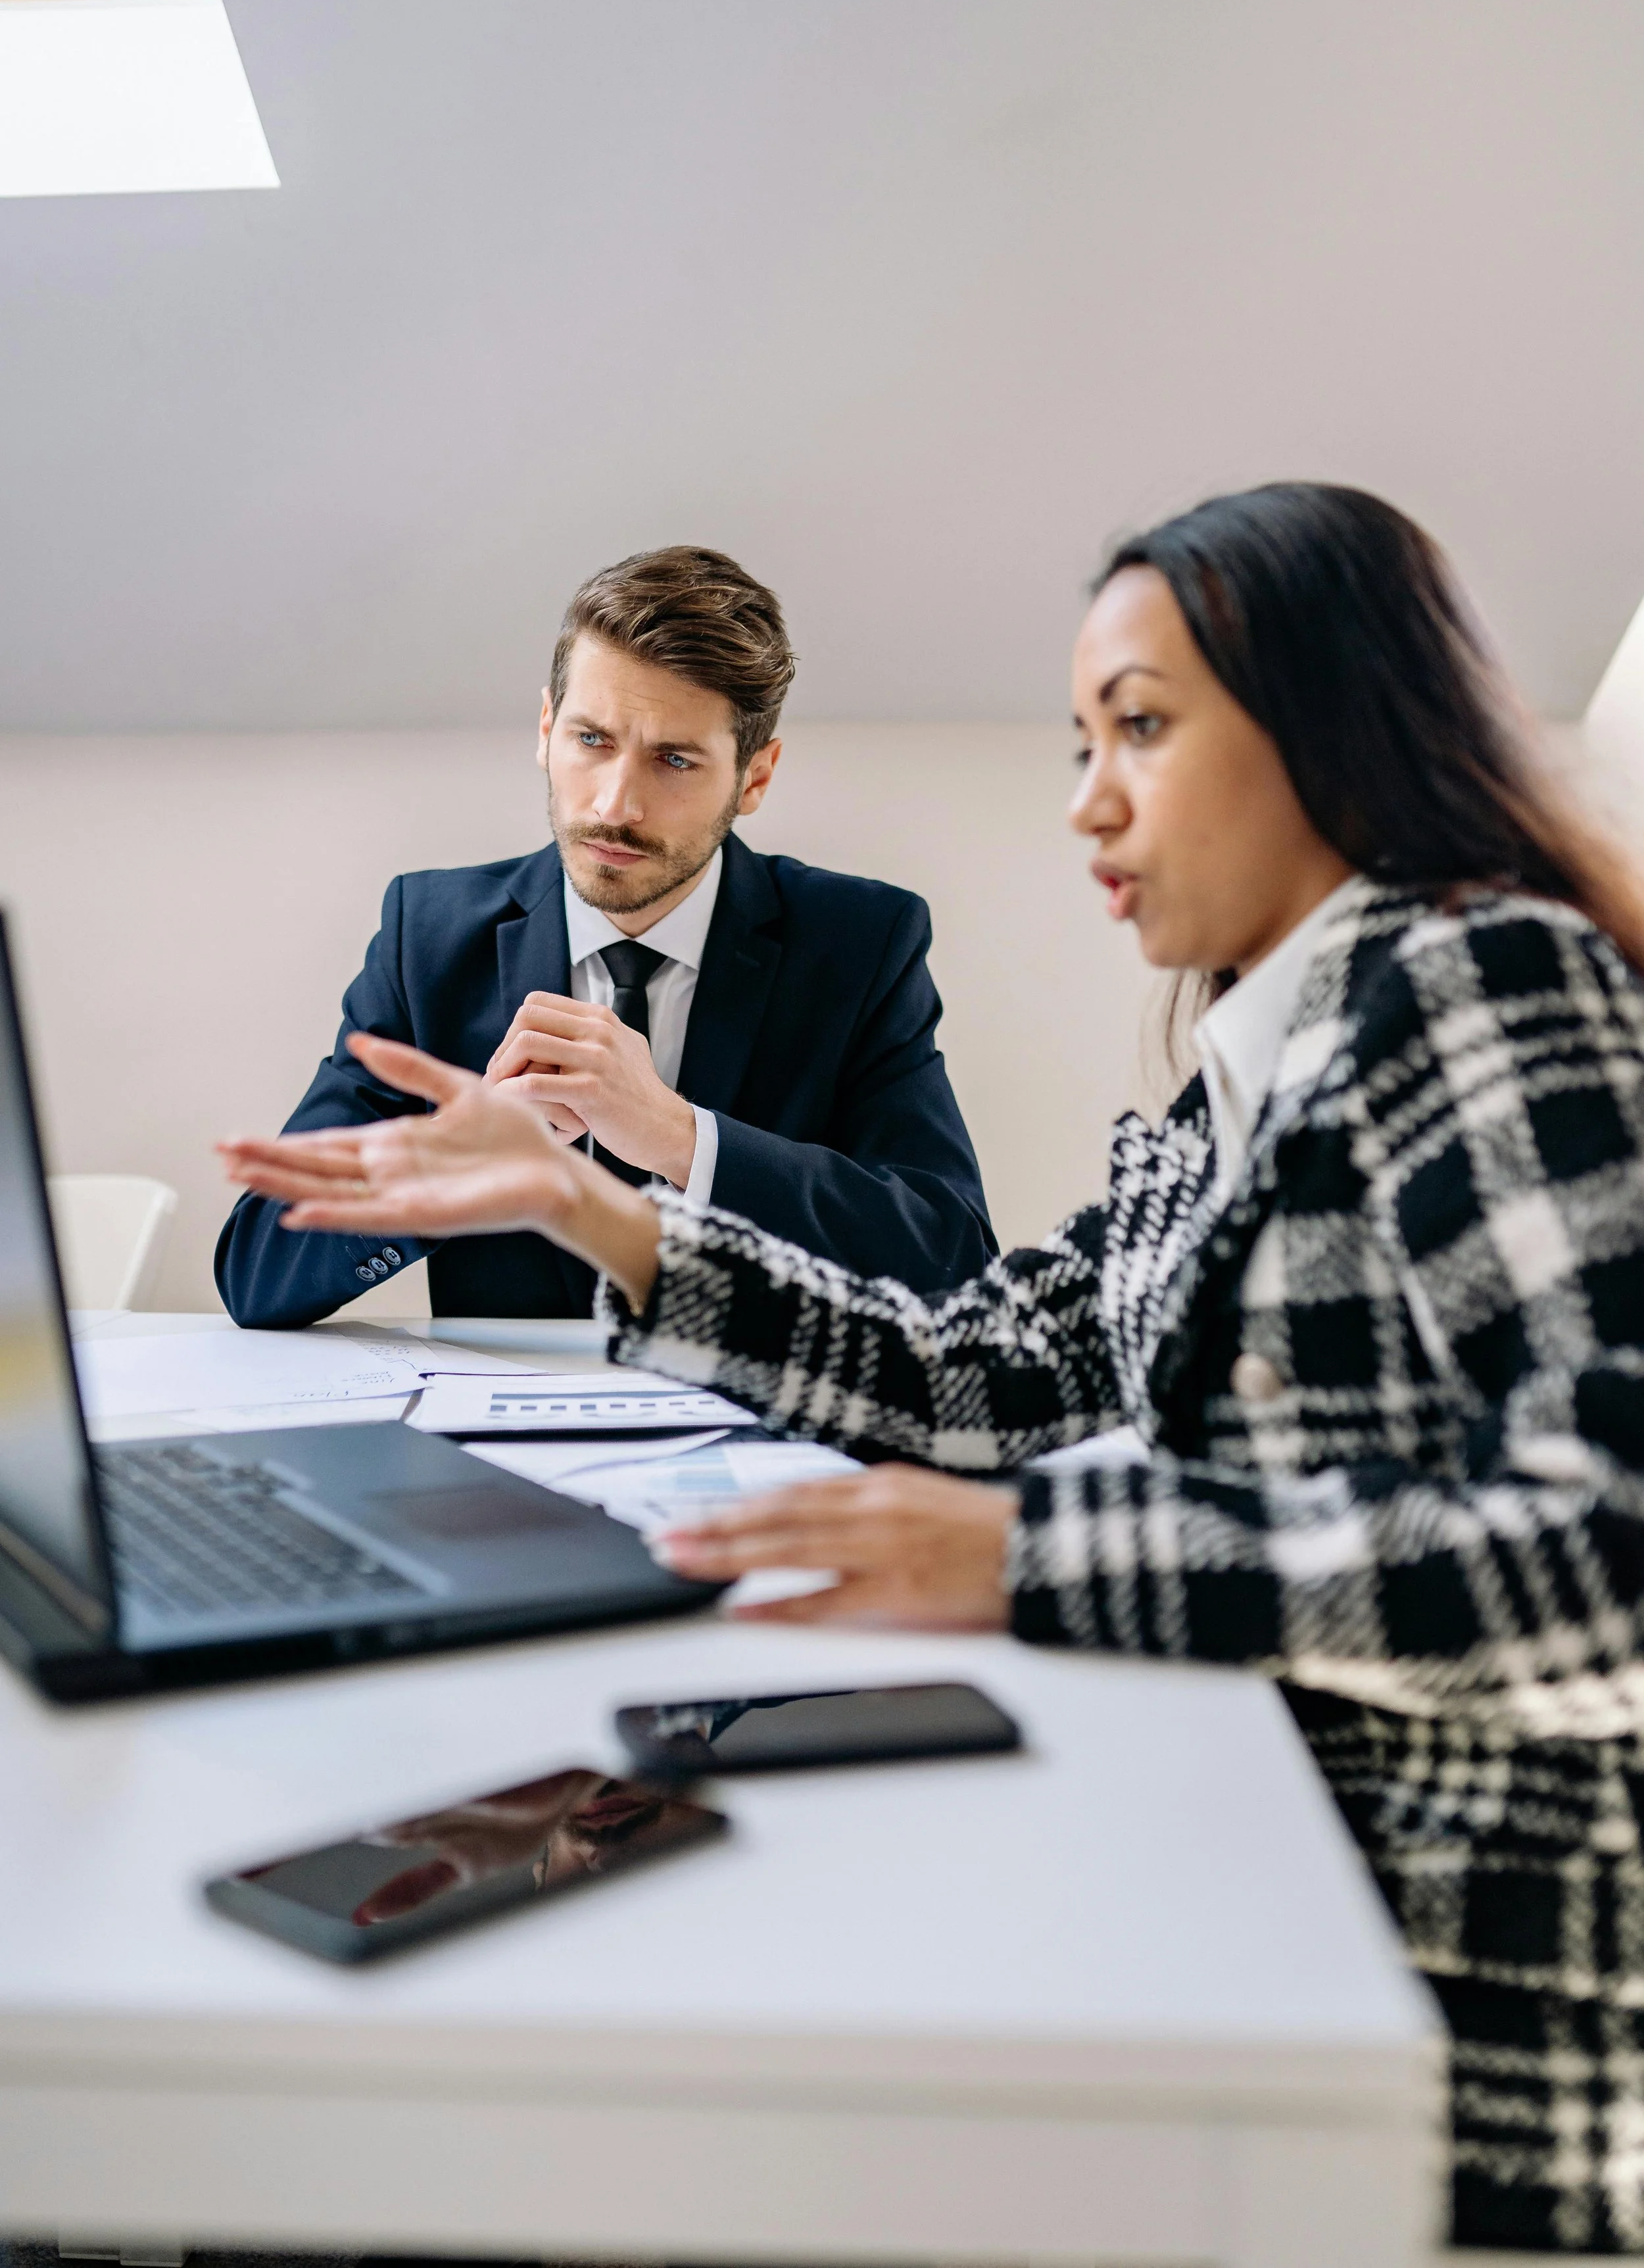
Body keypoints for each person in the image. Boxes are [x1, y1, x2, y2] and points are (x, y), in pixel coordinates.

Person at [220, 483, 1644, 2256]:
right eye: (1079, 738)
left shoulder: (1484, 986)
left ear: (1326, 724)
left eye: (1140, 727)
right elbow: (986, 1368)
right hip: (1233, 1867)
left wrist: (1034, 1556)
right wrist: (600, 1215)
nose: (1085, 797)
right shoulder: (1247, 1069)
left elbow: (1613, 1562)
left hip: (1428, 2002)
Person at [216, 544, 994, 1326]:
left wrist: (681, 1138)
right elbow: (255, 1274)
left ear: (754, 777)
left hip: (758, 1428)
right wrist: (443, 1179)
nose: (616, 805)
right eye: (591, 741)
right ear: (547, 728)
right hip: (503, 1438)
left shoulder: (860, 944)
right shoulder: (429, 937)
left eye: (675, 760)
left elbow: (954, 1260)